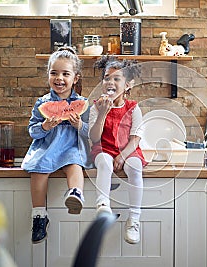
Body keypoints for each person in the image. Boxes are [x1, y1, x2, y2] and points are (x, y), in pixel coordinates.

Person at [21, 47, 91, 244]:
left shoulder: (82, 103)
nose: (59, 78)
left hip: (71, 147)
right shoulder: (42, 103)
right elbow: (32, 131)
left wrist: (79, 125)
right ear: (48, 75)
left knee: (75, 163)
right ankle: (39, 216)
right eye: (54, 73)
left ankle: (76, 194)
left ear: (75, 79)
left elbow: (92, 133)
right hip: (47, 147)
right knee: (38, 170)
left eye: (65, 74)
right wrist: (45, 125)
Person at [89, 56, 145, 244]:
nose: (110, 82)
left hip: (128, 150)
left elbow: (136, 137)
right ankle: (103, 205)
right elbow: (94, 138)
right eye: (107, 78)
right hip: (103, 149)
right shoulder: (96, 107)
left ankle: (134, 219)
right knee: (105, 163)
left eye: (116, 78)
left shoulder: (133, 107)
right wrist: (103, 113)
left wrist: (122, 155)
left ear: (128, 85)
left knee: (135, 168)